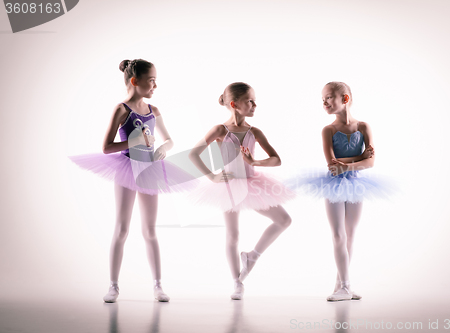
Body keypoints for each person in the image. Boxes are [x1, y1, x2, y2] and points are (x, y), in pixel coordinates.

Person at [69, 59, 196, 302]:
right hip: (127, 167)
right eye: (151, 80)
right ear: (135, 82)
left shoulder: (154, 110)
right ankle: (113, 286)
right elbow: (107, 147)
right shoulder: (122, 110)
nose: (155, 85)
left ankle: (158, 286)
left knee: (149, 229)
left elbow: (169, 140)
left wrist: (164, 148)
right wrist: (134, 143)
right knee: (122, 228)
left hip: (150, 168)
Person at [188, 82, 295, 300]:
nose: (255, 105)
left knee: (284, 220)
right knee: (233, 234)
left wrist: (254, 161)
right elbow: (193, 154)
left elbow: (277, 160)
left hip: (253, 183)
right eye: (250, 101)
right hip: (228, 186)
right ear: (235, 104)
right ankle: (236, 282)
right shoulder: (220, 130)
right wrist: (212, 176)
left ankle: (252, 256)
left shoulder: (254, 132)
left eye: (255, 100)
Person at [290, 82, 394, 301]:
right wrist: (359, 159)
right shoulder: (328, 130)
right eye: (323, 99)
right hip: (333, 184)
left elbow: (372, 163)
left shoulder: (363, 127)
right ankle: (345, 287)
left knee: (350, 235)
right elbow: (332, 165)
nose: (325, 102)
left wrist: (349, 164)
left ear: (345, 99)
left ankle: (342, 286)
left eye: (329, 97)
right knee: (338, 234)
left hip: (356, 183)